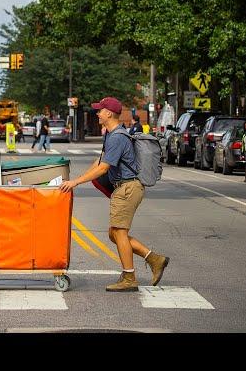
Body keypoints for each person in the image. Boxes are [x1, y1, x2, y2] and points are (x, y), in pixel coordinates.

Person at [59, 96, 169, 292]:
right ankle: (154, 259)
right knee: (114, 233)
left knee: (119, 233)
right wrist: (75, 178)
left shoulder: (117, 137)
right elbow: (100, 161)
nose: (97, 113)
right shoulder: (111, 134)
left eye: (100, 110)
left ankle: (129, 277)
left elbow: (104, 168)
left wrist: (75, 182)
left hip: (127, 188)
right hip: (124, 187)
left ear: (109, 113)